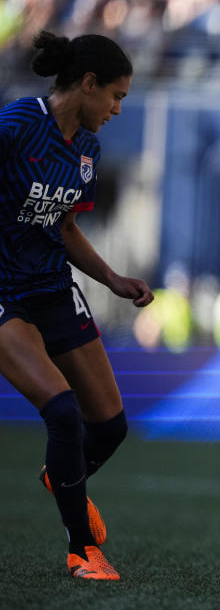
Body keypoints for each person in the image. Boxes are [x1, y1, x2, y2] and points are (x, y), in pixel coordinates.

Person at [0, 30, 153, 580]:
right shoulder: (16, 127)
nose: (117, 109)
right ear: (87, 84)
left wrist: (111, 278)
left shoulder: (86, 149)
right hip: (3, 293)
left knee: (108, 427)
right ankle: (81, 550)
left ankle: (61, 475)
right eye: (116, 96)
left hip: (52, 287)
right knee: (63, 412)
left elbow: (62, 226)